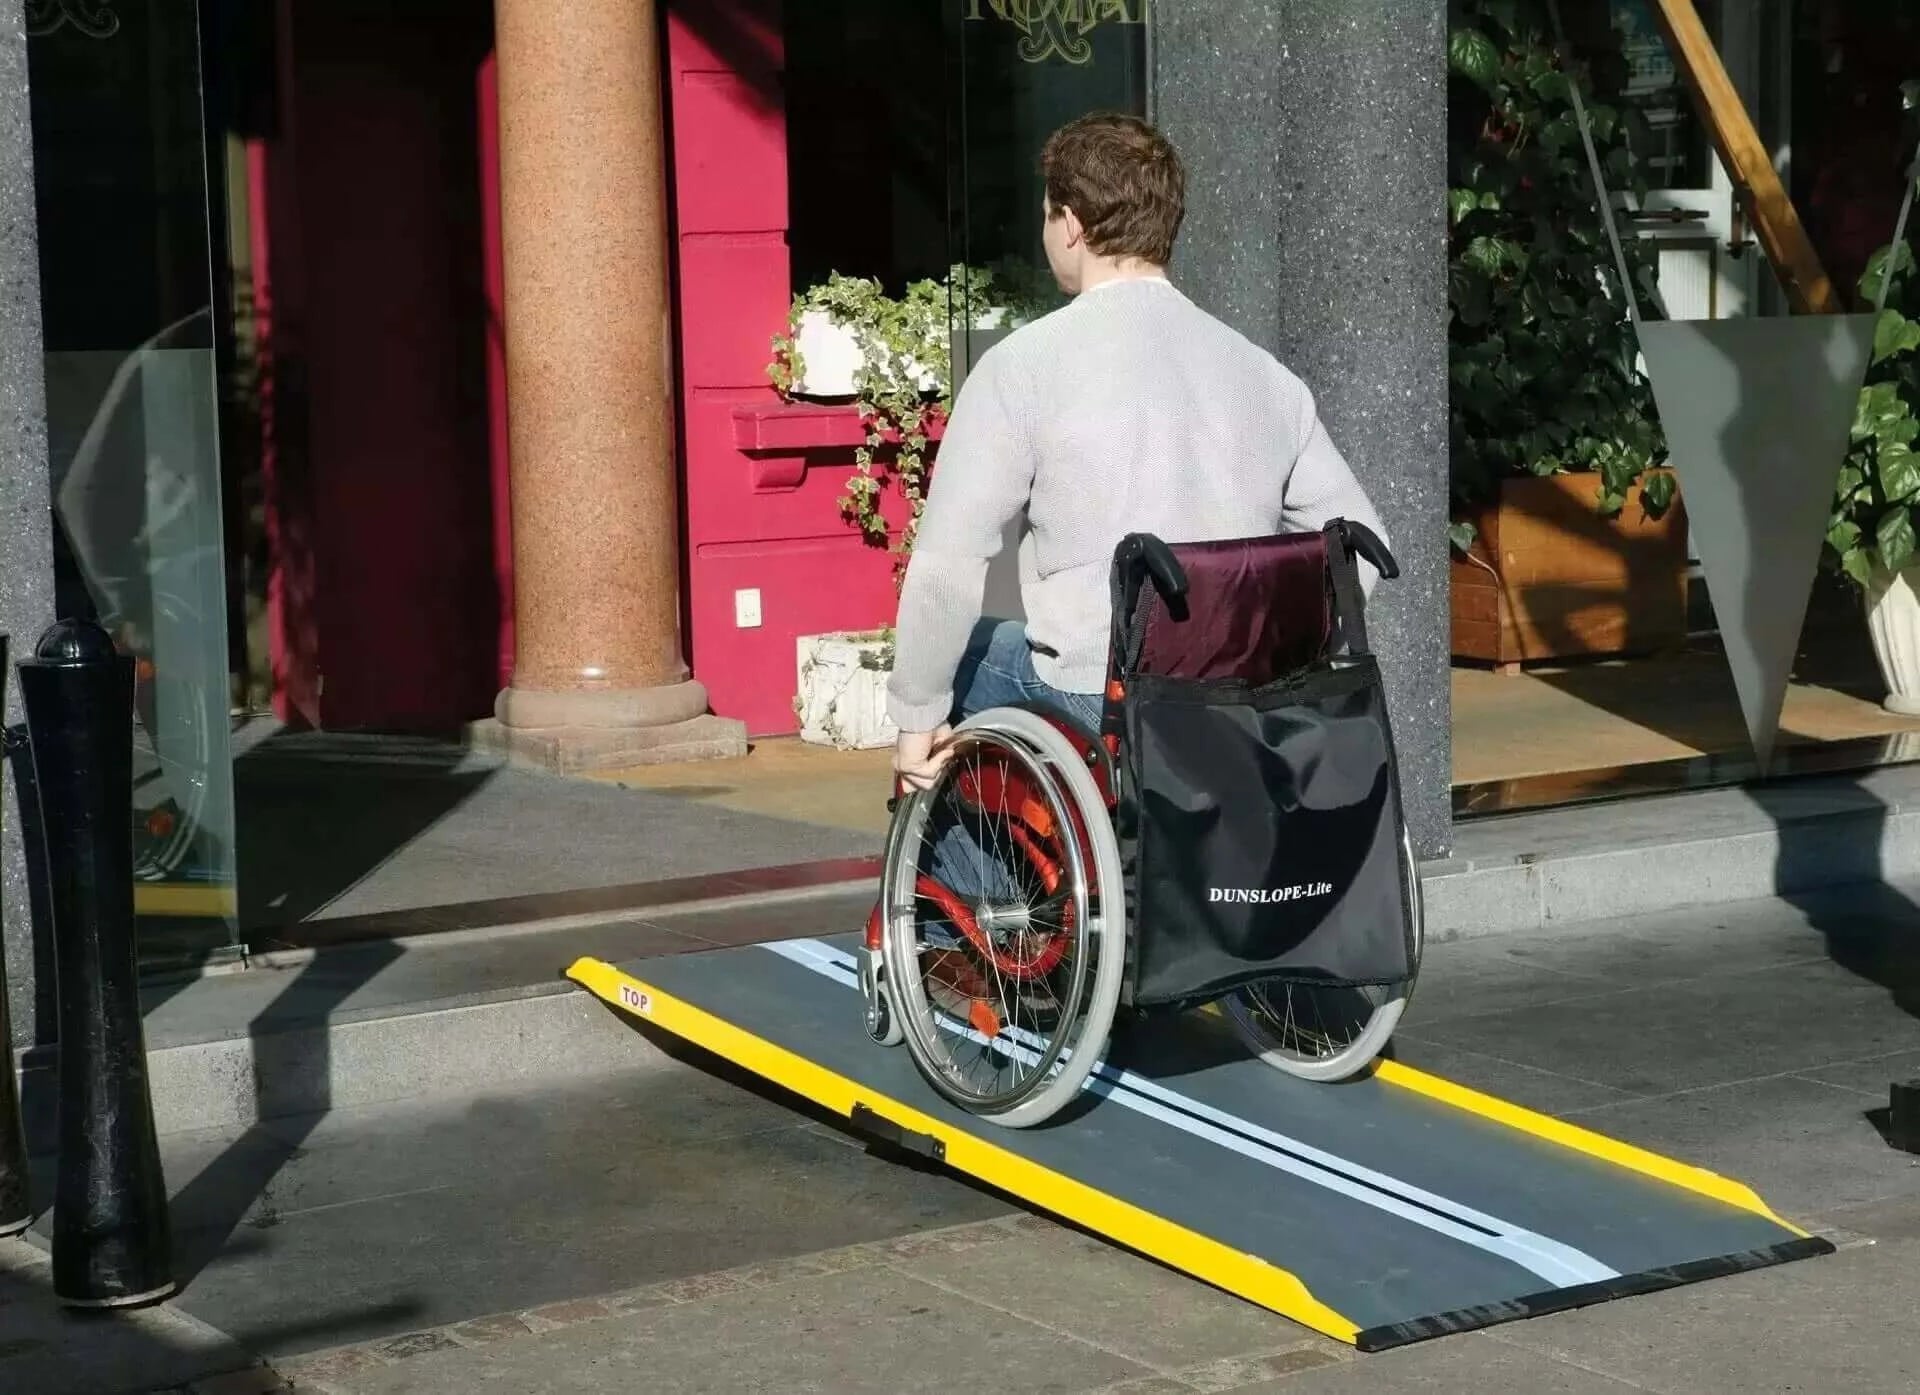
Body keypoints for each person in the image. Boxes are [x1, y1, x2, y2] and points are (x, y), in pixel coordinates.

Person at [887, 111, 1388, 792]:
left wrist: (917, 720)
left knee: (969, 659)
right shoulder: (1265, 377)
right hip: (1235, 697)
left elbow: (949, 562)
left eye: (1047, 218)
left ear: (1070, 224)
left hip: (1095, 697)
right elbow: (1361, 548)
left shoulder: (1023, 367)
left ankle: (981, 897)